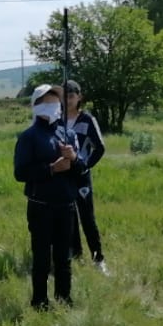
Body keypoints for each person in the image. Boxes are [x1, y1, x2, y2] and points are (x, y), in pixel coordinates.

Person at [13, 84, 85, 310]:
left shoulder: (68, 134)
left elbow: (81, 170)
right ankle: (39, 301)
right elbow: (20, 173)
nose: (52, 106)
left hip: (66, 204)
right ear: (35, 106)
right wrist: (51, 169)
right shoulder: (28, 137)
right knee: (42, 257)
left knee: (64, 257)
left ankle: (64, 299)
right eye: (46, 102)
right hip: (41, 205)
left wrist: (74, 158)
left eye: (55, 102)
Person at [61, 80, 108, 275]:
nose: (68, 100)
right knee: (69, 216)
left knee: (87, 218)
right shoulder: (58, 119)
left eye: (71, 96)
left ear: (79, 97)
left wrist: (85, 166)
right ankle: (76, 254)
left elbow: (100, 148)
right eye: (65, 97)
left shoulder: (87, 120)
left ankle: (98, 259)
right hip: (63, 176)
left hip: (81, 177)